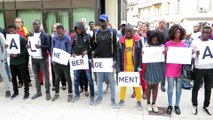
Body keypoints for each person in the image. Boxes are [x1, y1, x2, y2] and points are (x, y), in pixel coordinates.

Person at [92, 14, 117, 108]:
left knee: (111, 80)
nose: (102, 22)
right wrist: (93, 59)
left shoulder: (112, 32)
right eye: (100, 21)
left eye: (103, 21)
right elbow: (93, 47)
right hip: (99, 60)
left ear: (107, 21)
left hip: (109, 60)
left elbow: (115, 47)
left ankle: (113, 99)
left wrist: (115, 60)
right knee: (99, 80)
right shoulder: (96, 32)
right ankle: (99, 98)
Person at [117, 24, 143, 110]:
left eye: (130, 31)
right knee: (123, 84)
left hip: (134, 67)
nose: (128, 33)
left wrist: (139, 66)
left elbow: (140, 55)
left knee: (136, 85)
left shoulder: (138, 41)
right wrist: (118, 68)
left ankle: (139, 101)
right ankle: (122, 99)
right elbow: (118, 55)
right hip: (124, 67)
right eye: (126, 31)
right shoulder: (121, 41)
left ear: (133, 32)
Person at [191, 26, 213, 115]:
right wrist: (195, 55)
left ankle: (206, 105)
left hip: (209, 68)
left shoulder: (212, 43)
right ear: (201, 32)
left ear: (211, 33)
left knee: (208, 88)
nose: (206, 34)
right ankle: (194, 104)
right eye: (204, 32)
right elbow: (191, 54)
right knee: (196, 87)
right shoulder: (195, 42)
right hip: (198, 67)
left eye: (208, 33)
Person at [71, 21, 95, 105]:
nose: (78, 30)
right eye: (76, 29)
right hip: (77, 61)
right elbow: (72, 47)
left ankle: (92, 95)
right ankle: (77, 94)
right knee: (76, 78)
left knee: (89, 79)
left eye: (79, 29)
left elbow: (91, 48)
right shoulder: (74, 37)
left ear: (82, 28)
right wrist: (73, 53)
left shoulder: (87, 36)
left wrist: (87, 51)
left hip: (85, 61)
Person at [165, 24, 186, 115]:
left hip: (180, 69)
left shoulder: (183, 44)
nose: (177, 33)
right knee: (170, 88)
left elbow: (186, 57)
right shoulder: (167, 44)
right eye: (176, 31)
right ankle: (170, 105)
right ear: (172, 32)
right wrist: (165, 52)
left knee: (178, 89)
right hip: (170, 69)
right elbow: (164, 57)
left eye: (179, 32)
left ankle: (177, 105)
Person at [143, 30, 165, 112]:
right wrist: (142, 53)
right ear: (150, 39)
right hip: (149, 67)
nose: (155, 41)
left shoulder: (162, 46)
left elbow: (164, 58)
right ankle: (148, 103)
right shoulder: (147, 46)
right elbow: (143, 56)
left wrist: (164, 53)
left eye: (156, 40)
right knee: (148, 86)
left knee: (156, 86)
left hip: (158, 68)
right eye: (153, 40)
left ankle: (154, 103)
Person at [29, 19, 51, 100]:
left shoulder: (45, 35)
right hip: (34, 59)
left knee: (46, 76)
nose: (35, 26)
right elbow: (30, 44)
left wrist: (40, 46)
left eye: (36, 24)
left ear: (40, 25)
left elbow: (48, 46)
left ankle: (47, 92)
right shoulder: (31, 34)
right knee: (36, 76)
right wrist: (28, 46)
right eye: (34, 24)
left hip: (43, 58)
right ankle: (38, 92)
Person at [51, 24, 73, 102]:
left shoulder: (67, 38)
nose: (59, 34)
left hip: (64, 62)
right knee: (56, 78)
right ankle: (56, 93)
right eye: (58, 32)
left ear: (63, 31)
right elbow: (52, 49)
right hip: (56, 62)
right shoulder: (54, 38)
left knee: (68, 77)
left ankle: (70, 93)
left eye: (60, 32)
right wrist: (52, 60)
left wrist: (65, 60)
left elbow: (69, 50)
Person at [8, 24, 30, 100]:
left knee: (24, 78)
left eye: (12, 31)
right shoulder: (8, 39)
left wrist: (18, 55)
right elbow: (8, 49)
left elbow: (26, 50)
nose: (11, 32)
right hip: (12, 62)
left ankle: (26, 92)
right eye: (9, 31)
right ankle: (15, 92)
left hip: (21, 62)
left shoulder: (21, 39)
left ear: (16, 30)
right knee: (14, 78)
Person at [15, 18, 32, 88]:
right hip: (17, 51)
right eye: (16, 22)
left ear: (22, 23)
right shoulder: (14, 30)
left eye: (19, 22)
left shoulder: (25, 29)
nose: (17, 24)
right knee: (18, 67)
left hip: (24, 51)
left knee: (25, 66)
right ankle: (20, 81)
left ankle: (28, 80)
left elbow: (27, 39)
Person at [51, 23, 67, 91]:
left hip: (62, 57)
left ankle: (64, 84)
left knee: (62, 71)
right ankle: (55, 85)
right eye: (54, 28)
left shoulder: (65, 36)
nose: (55, 29)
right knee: (54, 72)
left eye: (56, 28)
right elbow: (51, 47)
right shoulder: (51, 37)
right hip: (55, 56)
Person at [156, 19, 169, 92]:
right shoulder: (155, 31)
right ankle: (156, 82)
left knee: (163, 69)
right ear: (158, 23)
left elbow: (170, 41)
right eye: (160, 22)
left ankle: (163, 84)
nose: (161, 24)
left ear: (165, 24)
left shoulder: (168, 32)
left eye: (163, 22)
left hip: (165, 52)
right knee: (157, 68)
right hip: (157, 52)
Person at [0, 32, 11, 98]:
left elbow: (6, 46)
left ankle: (7, 90)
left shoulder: (0, 35)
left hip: (0, 58)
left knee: (4, 74)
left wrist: (2, 57)